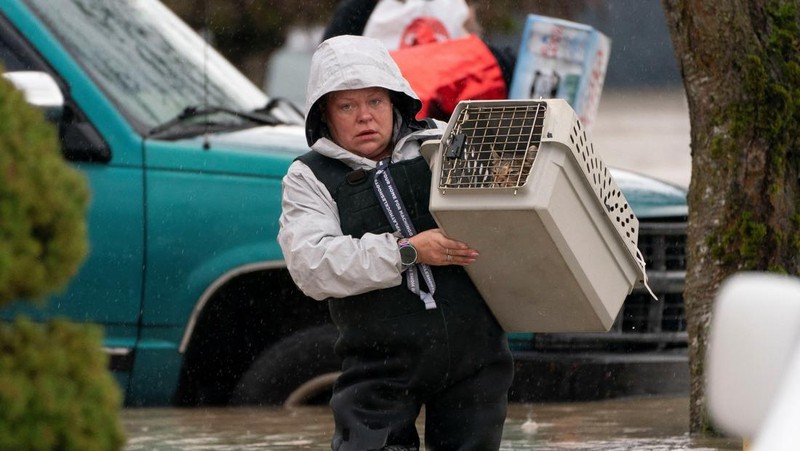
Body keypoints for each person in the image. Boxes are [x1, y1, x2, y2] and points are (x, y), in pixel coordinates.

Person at [278, 35, 514, 451]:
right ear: (324, 115)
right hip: (378, 364)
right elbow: (312, 267)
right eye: (346, 106)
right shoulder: (308, 177)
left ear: (395, 101)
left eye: (375, 101)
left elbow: (511, 210)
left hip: (475, 355)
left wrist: (507, 177)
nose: (364, 116)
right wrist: (408, 251)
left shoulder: (444, 140)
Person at [322, 0, 516, 121]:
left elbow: (484, 61)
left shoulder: (457, 10)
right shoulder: (360, 9)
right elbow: (330, 68)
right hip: (388, 123)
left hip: (444, 125)